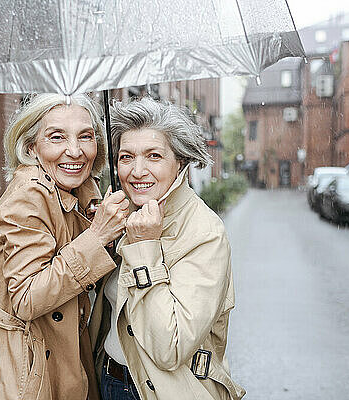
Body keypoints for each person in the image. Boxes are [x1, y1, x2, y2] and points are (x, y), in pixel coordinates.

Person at [0, 93, 129, 400]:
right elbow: (26, 298)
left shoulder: (77, 193)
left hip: (59, 361)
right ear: (31, 146)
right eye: (56, 137)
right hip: (21, 375)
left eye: (85, 136)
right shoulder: (30, 196)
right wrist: (97, 237)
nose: (75, 151)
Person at [89, 97, 245, 400]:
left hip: (163, 391)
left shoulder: (204, 233)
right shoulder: (126, 215)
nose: (137, 171)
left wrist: (145, 248)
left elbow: (169, 349)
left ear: (181, 163)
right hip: (111, 380)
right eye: (126, 157)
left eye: (153, 156)